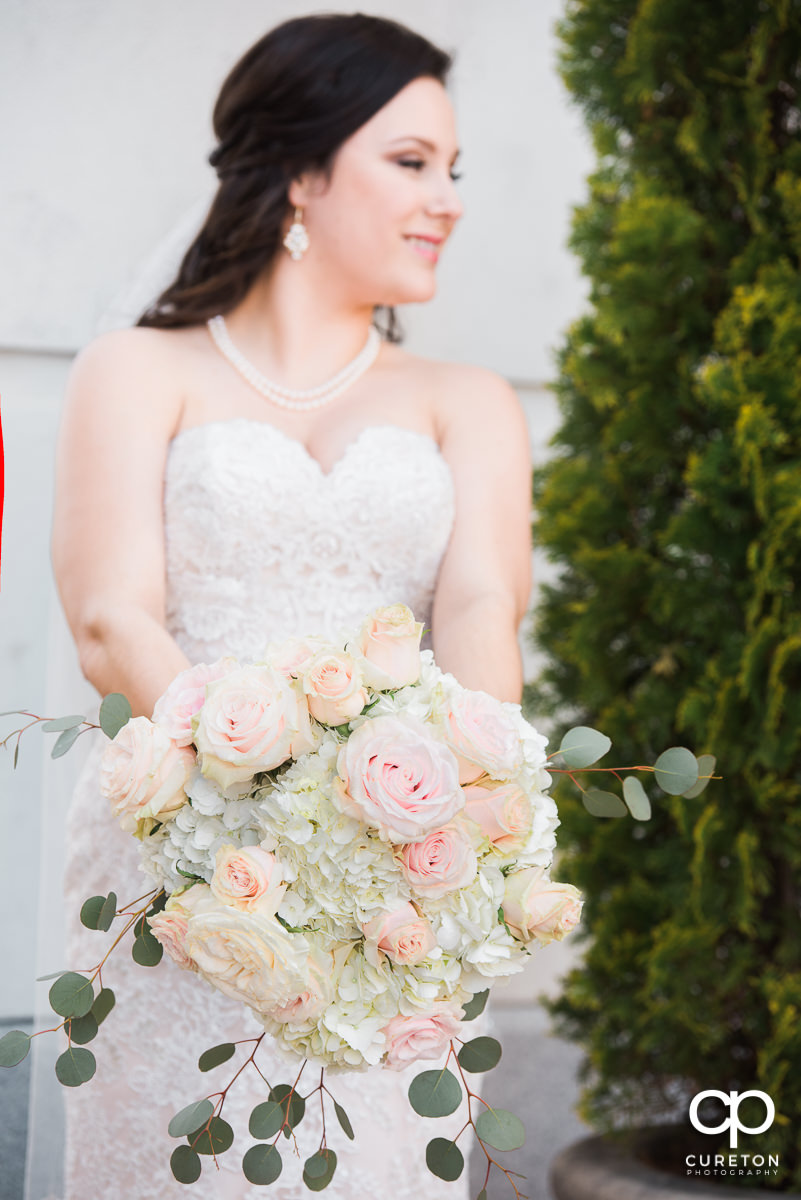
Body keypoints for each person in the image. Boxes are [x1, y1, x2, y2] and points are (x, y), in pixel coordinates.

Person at [49, 12, 532, 1198]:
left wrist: (464, 824)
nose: (449, 199)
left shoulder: (467, 402)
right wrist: (266, 807)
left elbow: (478, 610)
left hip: (390, 884)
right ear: (303, 173)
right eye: (411, 162)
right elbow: (113, 620)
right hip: (179, 867)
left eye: (452, 169)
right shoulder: (138, 370)